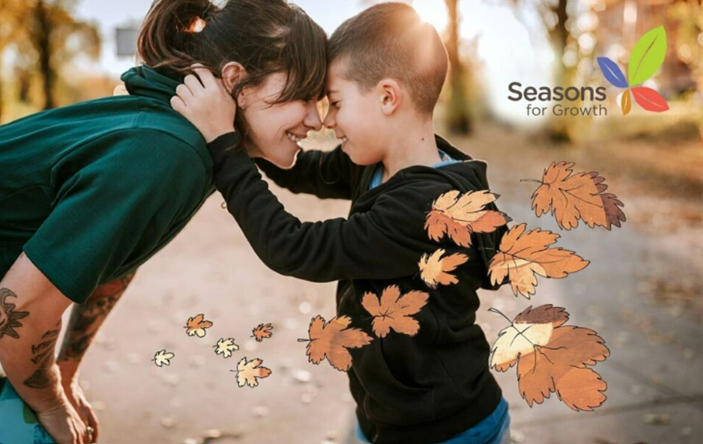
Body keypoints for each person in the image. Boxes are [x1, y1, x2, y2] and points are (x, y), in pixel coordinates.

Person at [0, 0, 326, 443]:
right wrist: (50, 401)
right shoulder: (168, 151)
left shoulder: (184, 136)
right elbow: (18, 307)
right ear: (237, 80)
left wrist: (64, 375)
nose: (318, 119)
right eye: (305, 95)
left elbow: (113, 260)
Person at [173, 3, 512, 443]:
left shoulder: (427, 210)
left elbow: (293, 246)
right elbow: (302, 169)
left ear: (388, 97)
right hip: (383, 416)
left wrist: (224, 148)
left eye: (335, 103)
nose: (327, 121)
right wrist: (248, 125)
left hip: (445, 429)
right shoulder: (374, 163)